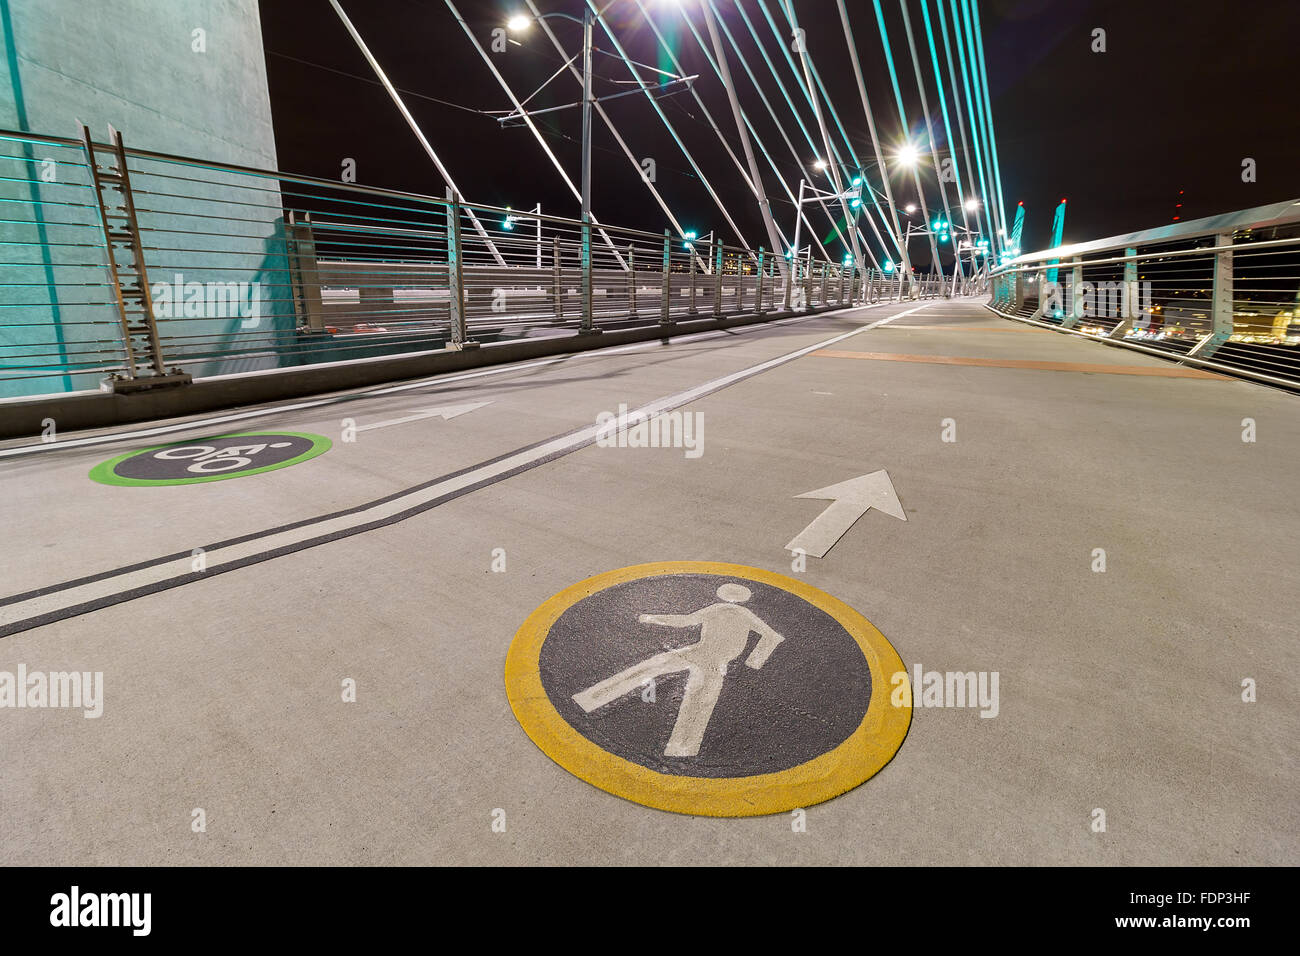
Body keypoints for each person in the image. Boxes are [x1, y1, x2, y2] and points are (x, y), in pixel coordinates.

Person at [572, 583, 784, 757]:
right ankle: (682, 748)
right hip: (708, 655)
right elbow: (773, 636)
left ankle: (594, 697)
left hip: (710, 656)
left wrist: (752, 662)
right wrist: (750, 662)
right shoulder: (728, 611)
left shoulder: (726, 611)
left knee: (677, 680)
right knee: (697, 694)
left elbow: (685, 621)